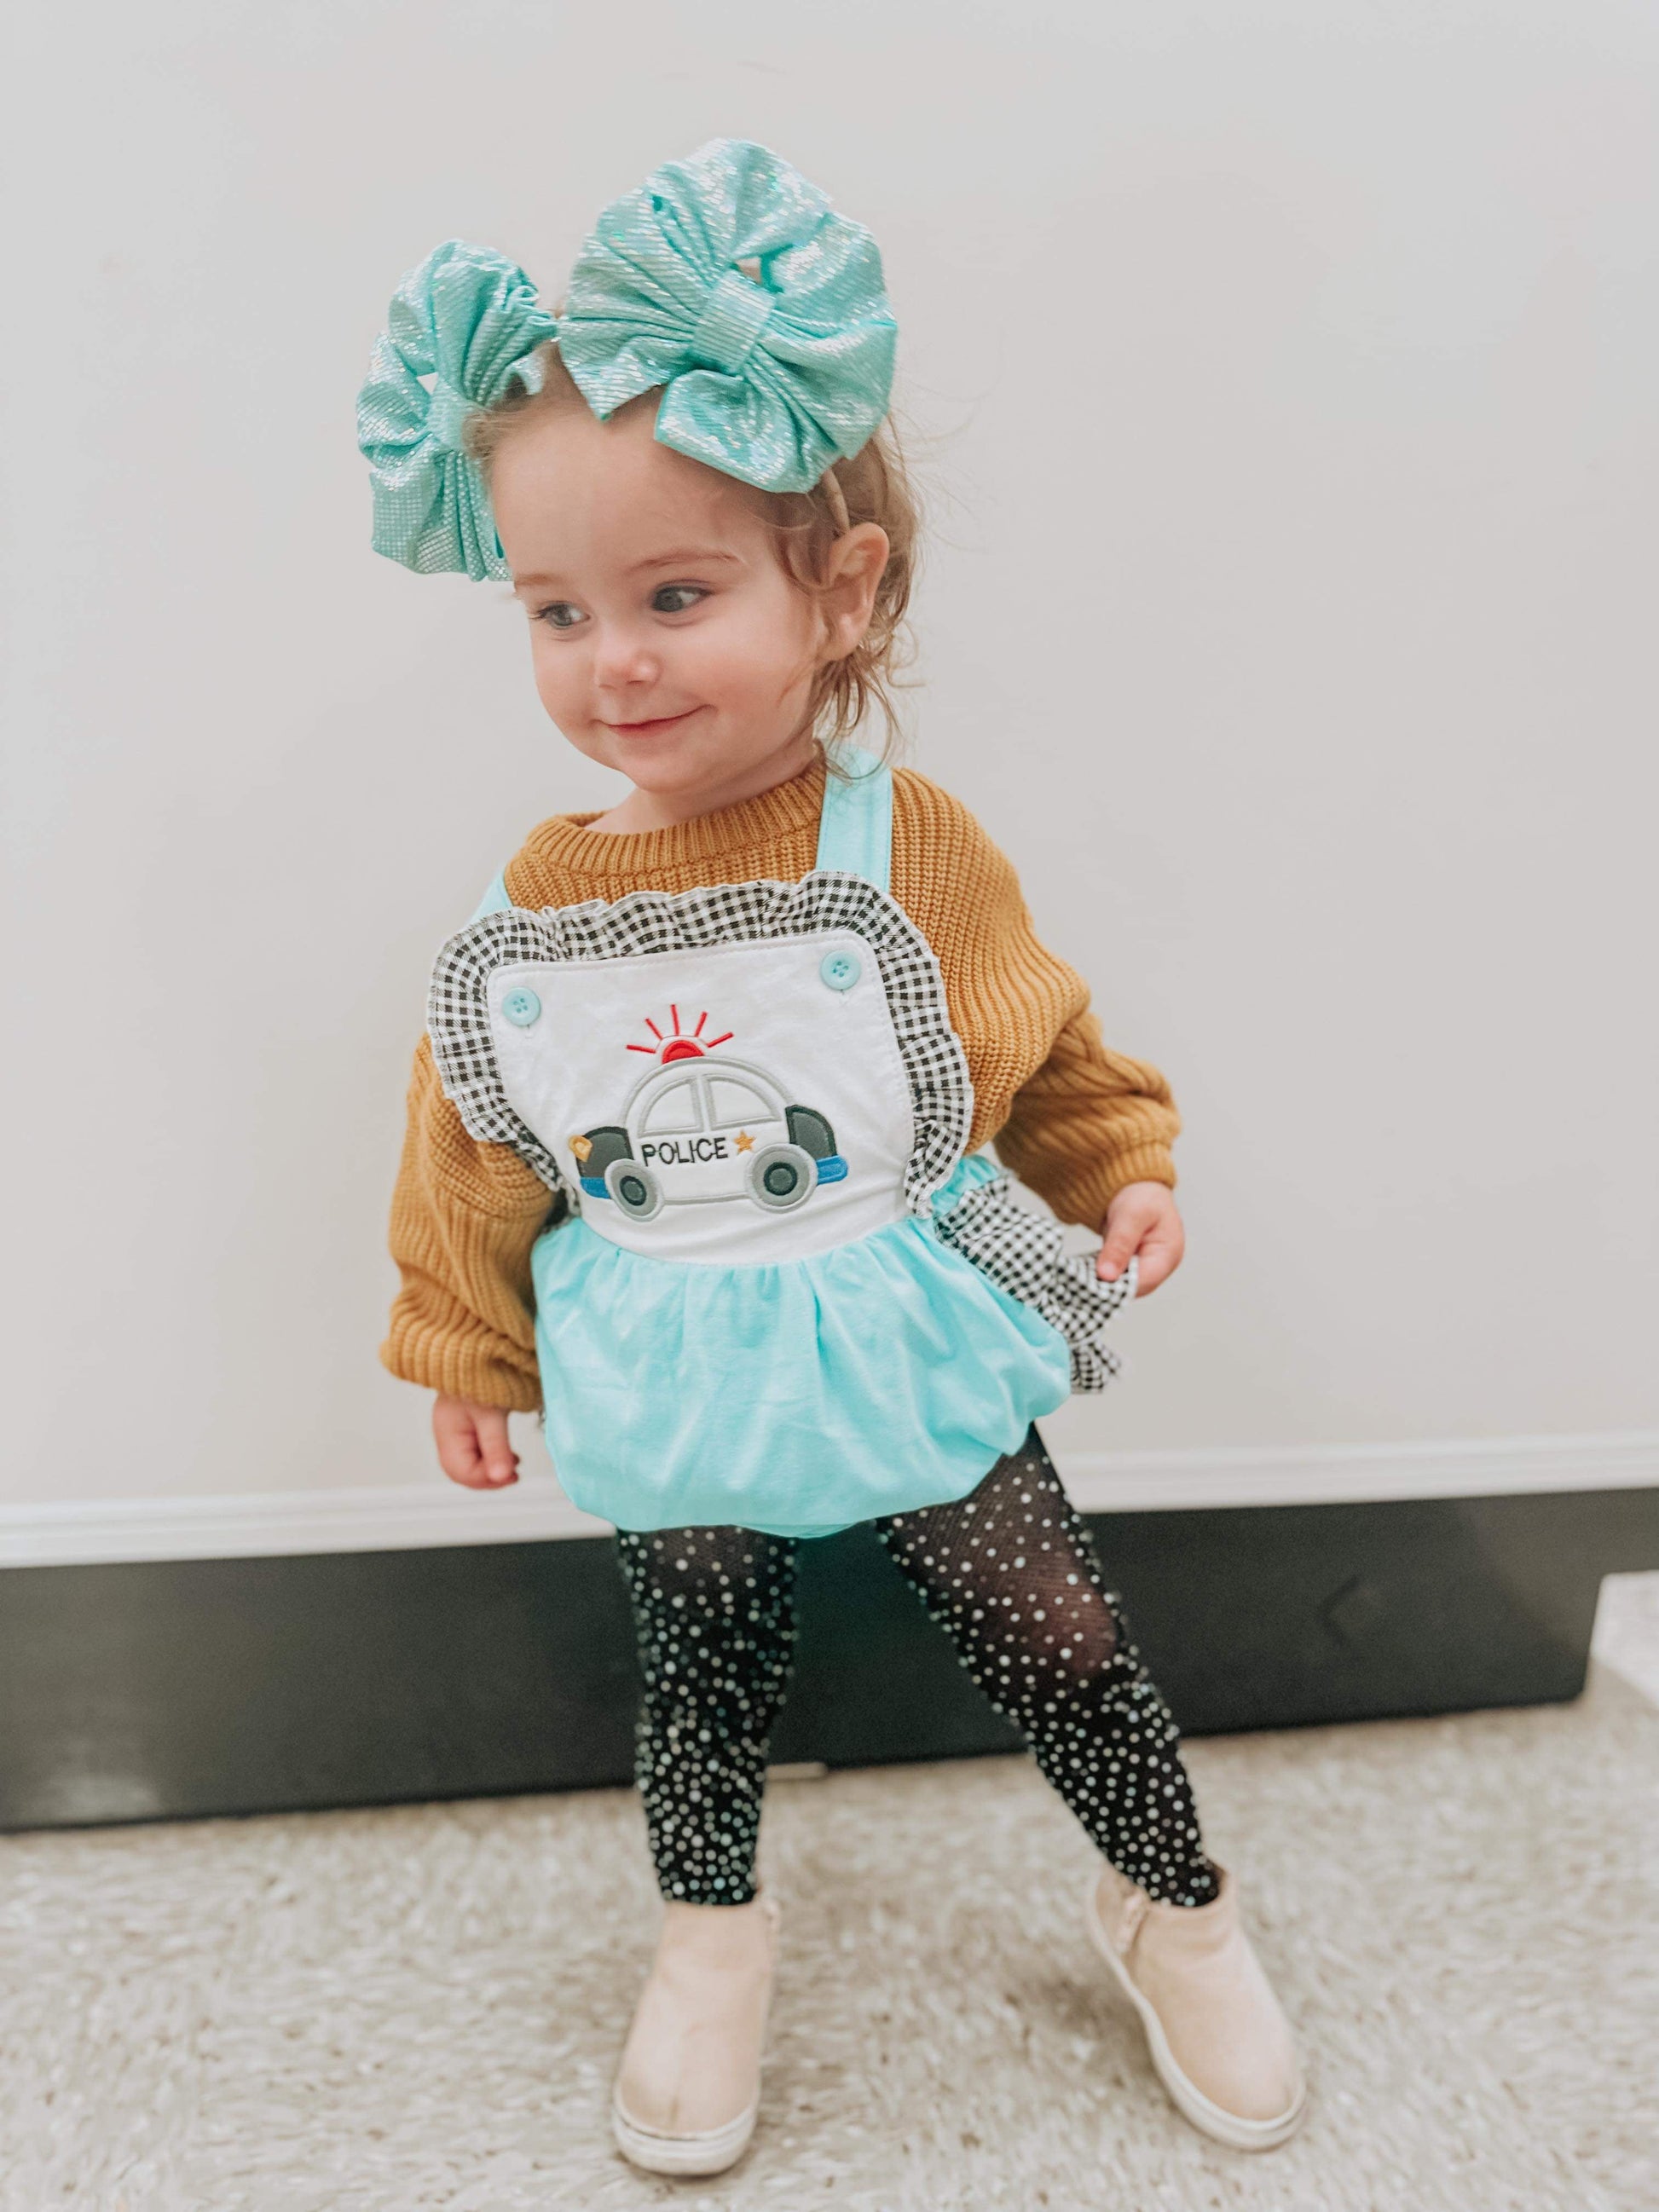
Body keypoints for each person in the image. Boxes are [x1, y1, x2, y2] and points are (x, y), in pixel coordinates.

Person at [360, 137, 1306, 2175]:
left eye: (675, 594)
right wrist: (463, 1338)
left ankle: (1171, 1896)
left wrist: (1115, 1159)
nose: (613, 660)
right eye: (555, 610)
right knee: (700, 1663)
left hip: (903, 1312)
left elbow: (1031, 1032)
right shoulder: (536, 902)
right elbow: (478, 1137)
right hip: (670, 1345)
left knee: (1055, 1622)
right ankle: (710, 1936)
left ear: (840, 586)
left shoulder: (909, 845)